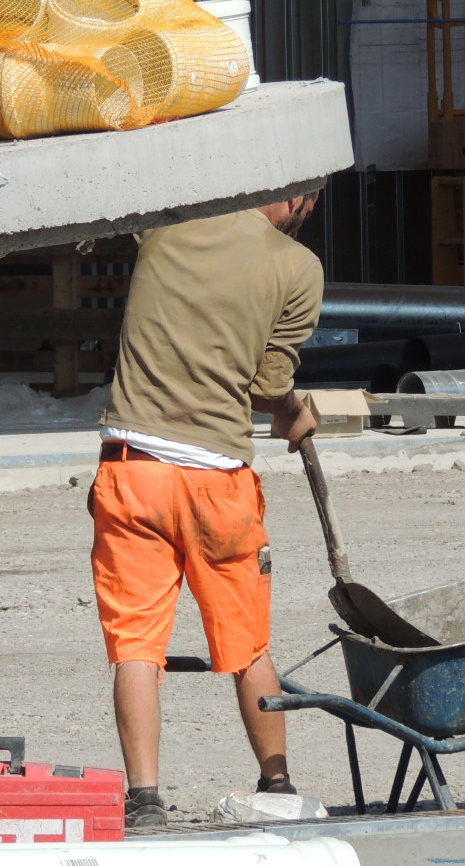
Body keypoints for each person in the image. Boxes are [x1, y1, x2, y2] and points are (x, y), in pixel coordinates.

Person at [89, 190, 323, 827]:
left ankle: (144, 800)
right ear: (298, 195)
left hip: (132, 470)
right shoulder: (297, 267)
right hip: (217, 483)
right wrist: (294, 413)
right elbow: (269, 387)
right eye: (313, 201)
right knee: (248, 646)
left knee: (137, 648)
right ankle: (277, 786)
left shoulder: (167, 224)